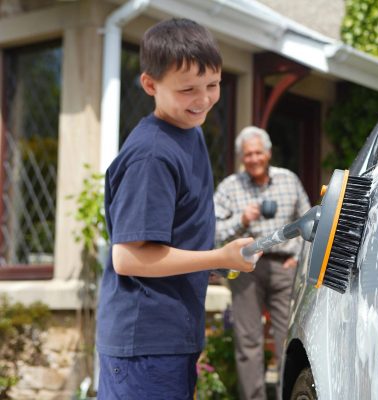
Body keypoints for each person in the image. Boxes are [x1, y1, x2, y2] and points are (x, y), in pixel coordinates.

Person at [96, 18, 258, 400]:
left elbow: (178, 233)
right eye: (187, 89)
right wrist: (217, 256)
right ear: (150, 85)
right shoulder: (151, 156)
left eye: (213, 85)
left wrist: (219, 260)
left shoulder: (191, 132)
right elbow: (129, 258)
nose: (203, 99)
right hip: (145, 343)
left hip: (169, 335)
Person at [214, 126, 311, 400]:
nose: (254, 158)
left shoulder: (288, 180)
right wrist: (241, 220)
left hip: (284, 267)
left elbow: (309, 221)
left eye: (258, 153)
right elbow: (212, 230)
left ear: (267, 153)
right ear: (240, 158)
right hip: (245, 269)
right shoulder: (230, 187)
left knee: (287, 339)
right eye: (248, 155)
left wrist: (298, 258)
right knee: (248, 341)